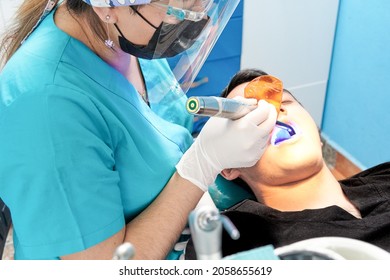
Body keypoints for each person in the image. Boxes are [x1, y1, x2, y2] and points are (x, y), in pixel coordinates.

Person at [0, 1, 278, 260]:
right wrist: (201, 165)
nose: (200, 22)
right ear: (108, 8)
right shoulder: (47, 104)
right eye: (183, 12)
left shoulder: (124, 37)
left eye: (203, 5)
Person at [185, 68, 390, 259]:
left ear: (316, 134)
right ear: (228, 167)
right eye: (247, 115)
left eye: (284, 102)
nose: (272, 113)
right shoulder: (236, 243)